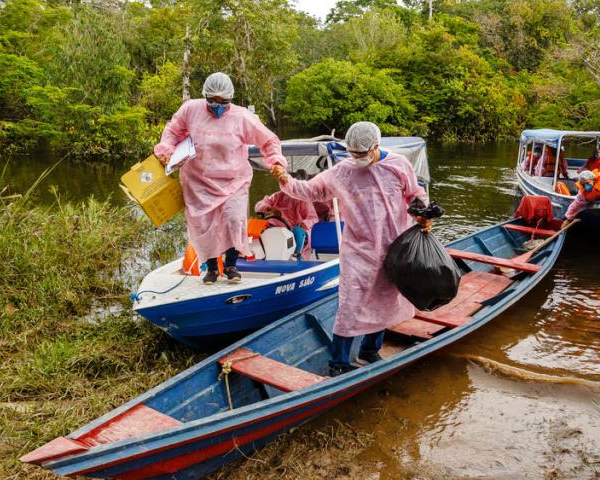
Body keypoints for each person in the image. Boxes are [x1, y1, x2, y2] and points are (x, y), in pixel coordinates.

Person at [271, 121, 430, 376]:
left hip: (393, 247)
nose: (356, 158)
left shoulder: (398, 165)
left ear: (376, 146)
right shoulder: (342, 171)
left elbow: (414, 194)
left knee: (384, 300)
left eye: (361, 154)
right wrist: (285, 179)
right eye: (352, 153)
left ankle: (369, 349)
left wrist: (423, 212)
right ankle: (339, 363)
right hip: (357, 249)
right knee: (350, 306)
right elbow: (310, 191)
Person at [154, 72, 287, 284]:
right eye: (212, 101)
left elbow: (269, 140)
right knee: (205, 226)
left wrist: (276, 162)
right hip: (198, 181)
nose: (217, 105)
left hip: (233, 180)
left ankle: (232, 265)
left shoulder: (242, 117)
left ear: (230, 99)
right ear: (205, 96)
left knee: (233, 220)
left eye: (223, 102)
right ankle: (212, 269)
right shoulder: (190, 110)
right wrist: (166, 150)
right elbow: (172, 131)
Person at [254, 170, 319, 258]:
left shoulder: (303, 200)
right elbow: (259, 205)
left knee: (298, 232)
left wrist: (304, 223)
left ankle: (296, 256)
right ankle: (255, 254)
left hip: (294, 230)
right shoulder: (277, 196)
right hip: (275, 226)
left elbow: (313, 218)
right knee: (255, 227)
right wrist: (268, 208)